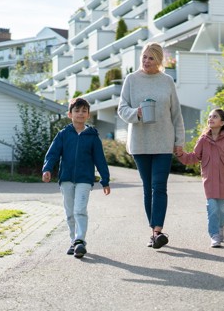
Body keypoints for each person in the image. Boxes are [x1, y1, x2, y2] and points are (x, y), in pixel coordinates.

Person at [118, 42, 185, 249]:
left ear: (159, 61)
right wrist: (136, 113)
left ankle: (158, 231)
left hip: (164, 142)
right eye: (144, 57)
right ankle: (153, 232)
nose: (146, 61)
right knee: (148, 188)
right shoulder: (131, 80)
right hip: (140, 143)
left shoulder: (167, 81)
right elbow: (121, 109)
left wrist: (179, 142)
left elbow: (176, 114)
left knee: (159, 187)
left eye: (151, 58)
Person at [42, 97, 111, 258]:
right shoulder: (63, 135)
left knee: (80, 210)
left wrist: (105, 180)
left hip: (85, 179)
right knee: (69, 212)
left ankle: (80, 241)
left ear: (88, 115)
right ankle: (73, 241)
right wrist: (47, 169)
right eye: (77, 110)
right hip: (66, 179)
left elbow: (100, 160)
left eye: (84, 111)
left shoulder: (92, 136)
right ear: (70, 114)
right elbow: (52, 154)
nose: (80, 114)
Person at [176, 108, 224, 248]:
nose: (210, 119)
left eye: (215, 117)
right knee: (212, 207)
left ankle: (220, 226)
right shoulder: (203, 140)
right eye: (210, 116)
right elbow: (194, 157)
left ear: (222, 122)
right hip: (209, 181)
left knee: (222, 209)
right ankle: (214, 235)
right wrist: (181, 154)